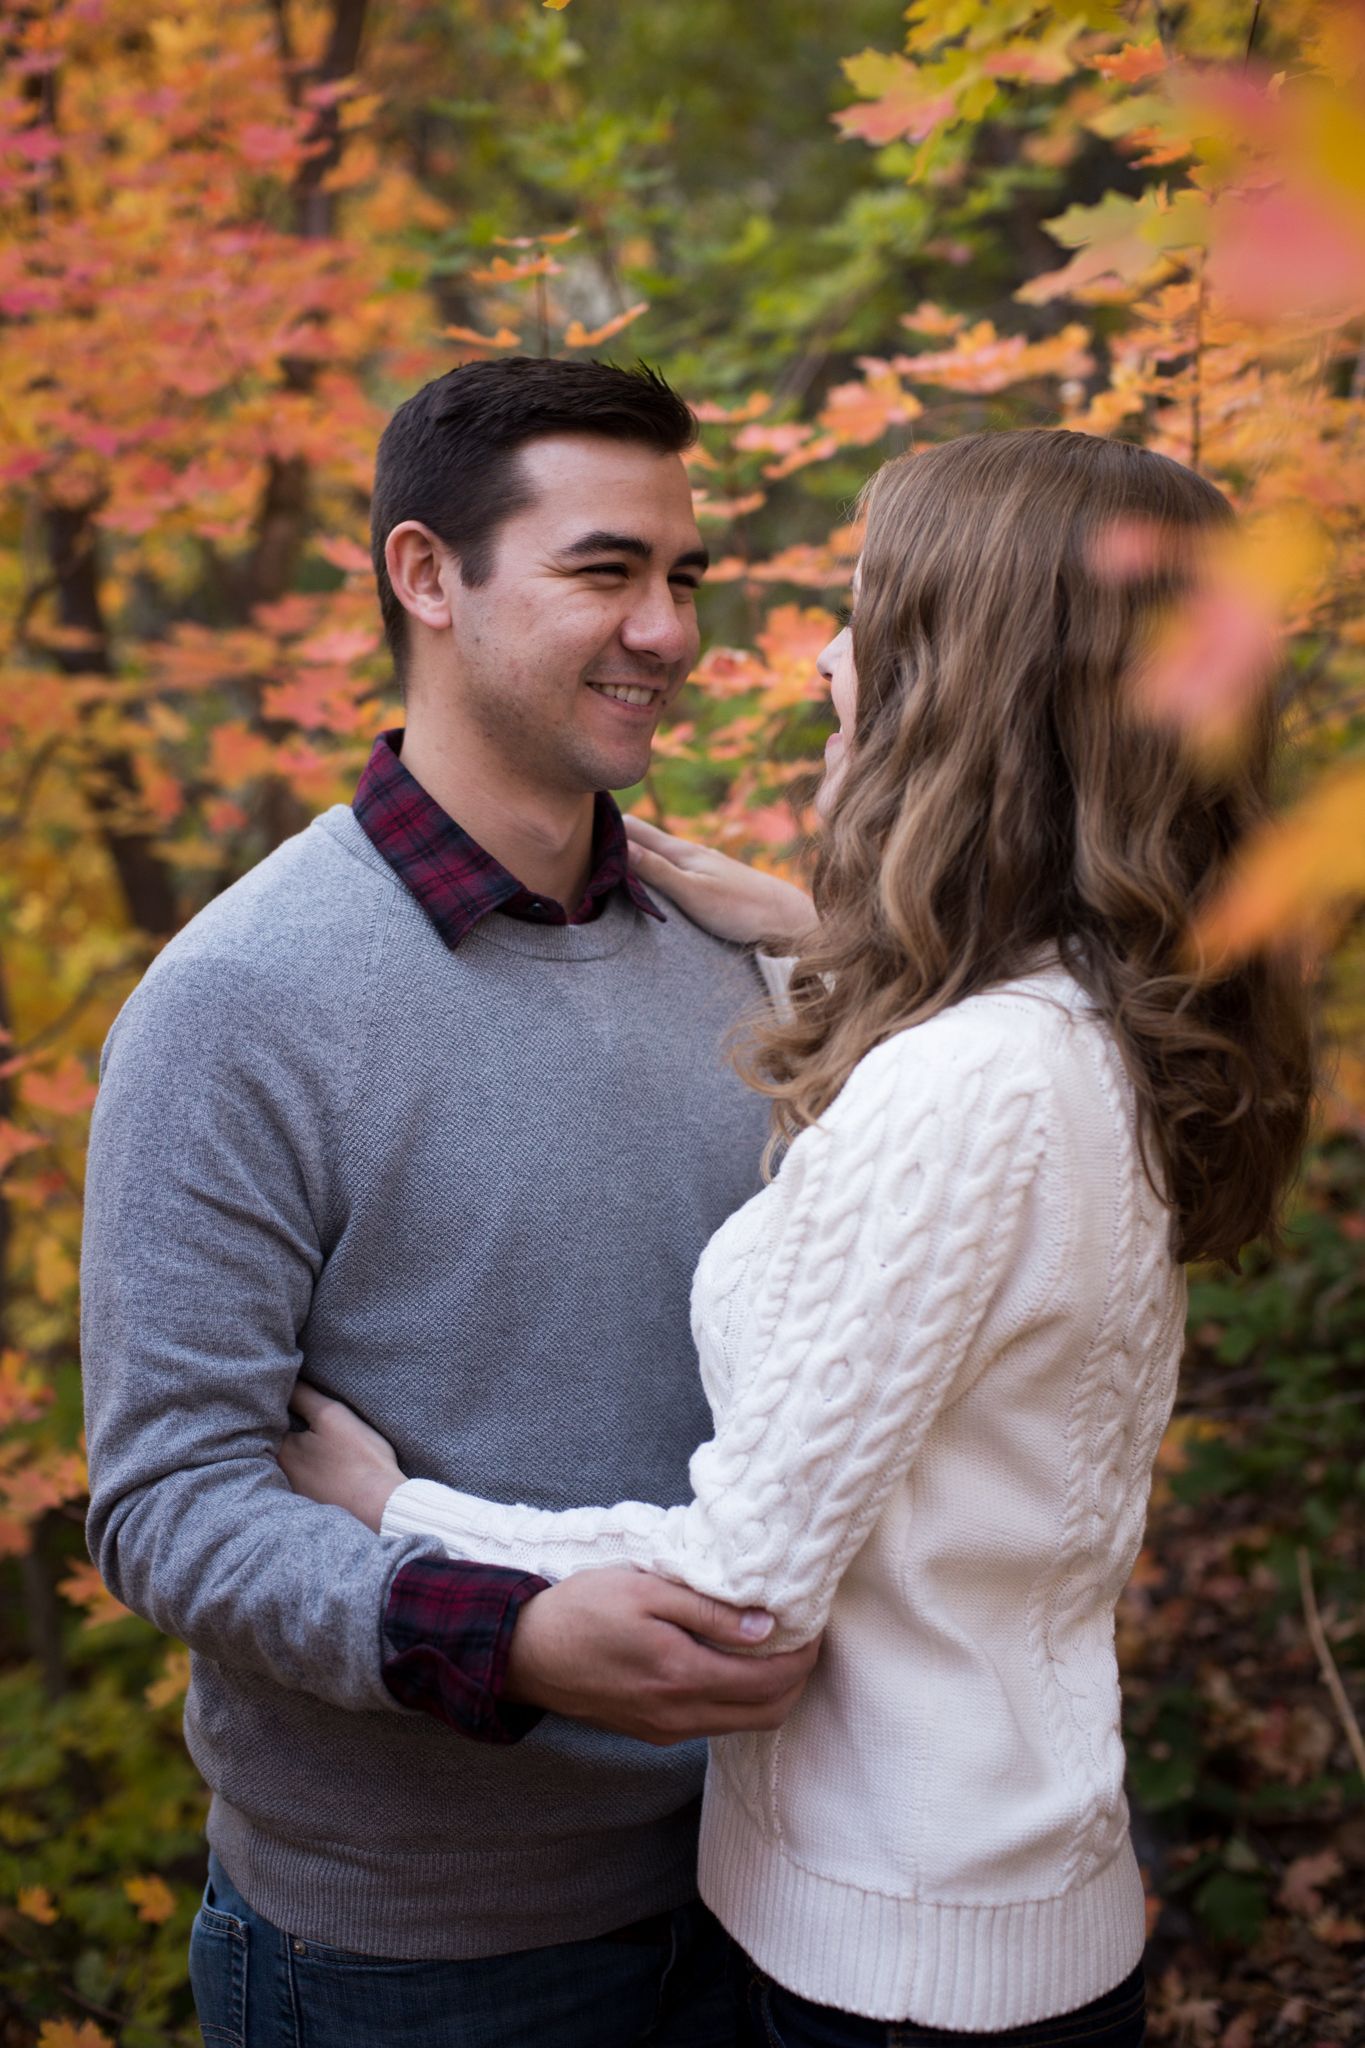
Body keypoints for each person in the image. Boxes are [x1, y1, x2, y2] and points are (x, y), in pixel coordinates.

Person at [282, 429, 1314, 2048]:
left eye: (868, 611)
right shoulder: (1081, 1024)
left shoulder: (968, 1090)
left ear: (970, 685)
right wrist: (821, 930)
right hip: (984, 1889)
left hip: (893, 1961)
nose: (824, 654)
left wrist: (389, 1508)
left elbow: (736, 1587)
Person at [80, 356, 821, 2048]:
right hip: (410, 1964)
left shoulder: (739, 954)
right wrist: (507, 1636)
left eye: (684, 576)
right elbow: (167, 1502)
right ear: (426, 576)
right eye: (604, 571)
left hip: (762, 1888)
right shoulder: (241, 1000)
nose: (668, 633)